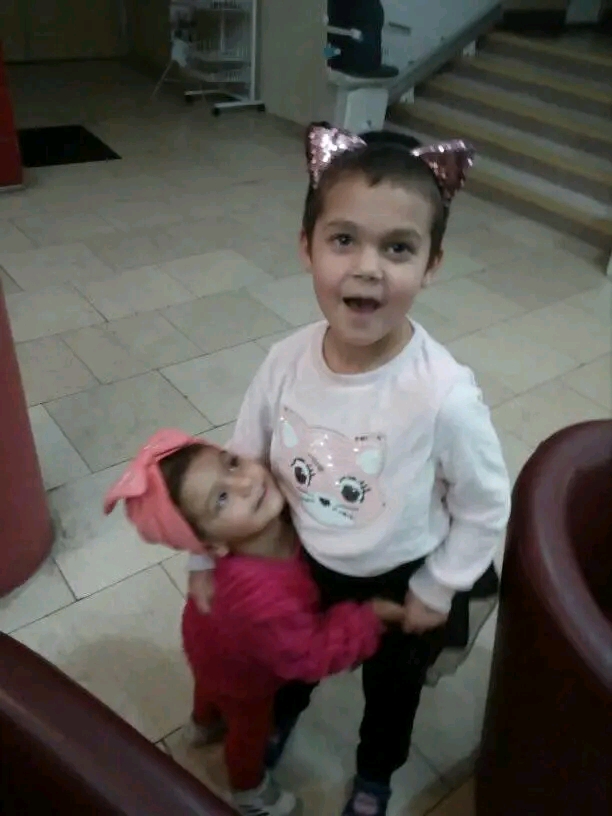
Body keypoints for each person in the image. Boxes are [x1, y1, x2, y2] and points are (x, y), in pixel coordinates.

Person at [187, 123, 511, 816]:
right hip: (303, 560)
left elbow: (485, 504)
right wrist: (207, 552)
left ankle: (374, 778)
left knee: (391, 695)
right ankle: (278, 721)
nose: (368, 268)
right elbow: (245, 454)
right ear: (306, 247)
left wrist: (439, 586)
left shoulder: (443, 395)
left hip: (402, 575)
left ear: (432, 264)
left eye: (398, 248)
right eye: (344, 240)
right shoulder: (285, 361)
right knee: (292, 662)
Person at [103, 429, 405, 816]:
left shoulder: (252, 537)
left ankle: (202, 724)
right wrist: (366, 620)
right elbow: (308, 657)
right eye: (221, 499)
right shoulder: (264, 601)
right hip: (242, 677)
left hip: (204, 640)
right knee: (249, 732)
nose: (246, 482)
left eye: (231, 464)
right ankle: (248, 789)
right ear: (211, 546)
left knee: (207, 684)